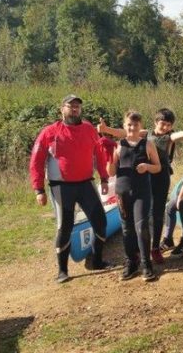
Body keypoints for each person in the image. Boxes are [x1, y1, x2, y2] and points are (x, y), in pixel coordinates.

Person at [29, 94, 112, 284]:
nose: (74, 109)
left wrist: (104, 178)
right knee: (64, 226)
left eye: (77, 106)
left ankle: (97, 261)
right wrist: (38, 189)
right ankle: (62, 271)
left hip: (86, 184)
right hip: (61, 187)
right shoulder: (49, 132)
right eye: (70, 106)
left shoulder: (89, 129)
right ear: (62, 109)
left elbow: (99, 154)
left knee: (100, 221)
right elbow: (36, 160)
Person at [98, 109, 183, 264]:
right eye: (162, 123)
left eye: (169, 125)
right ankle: (138, 249)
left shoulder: (169, 137)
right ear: (155, 122)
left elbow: (176, 136)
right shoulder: (145, 133)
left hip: (161, 177)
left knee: (157, 214)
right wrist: (107, 129)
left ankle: (155, 248)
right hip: (144, 175)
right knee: (143, 215)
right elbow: (124, 132)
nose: (165, 127)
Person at [107, 111, 162, 282]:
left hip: (141, 192)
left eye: (135, 125)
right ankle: (131, 262)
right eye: (129, 124)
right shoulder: (118, 145)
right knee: (126, 229)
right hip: (122, 192)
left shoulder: (148, 144)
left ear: (140, 126)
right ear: (124, 126)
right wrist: (108, 158)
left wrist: (147, 166)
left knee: (142, 227)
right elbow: (111, 172)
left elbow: (158, 167)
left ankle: (146, 264)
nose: (132, 128)